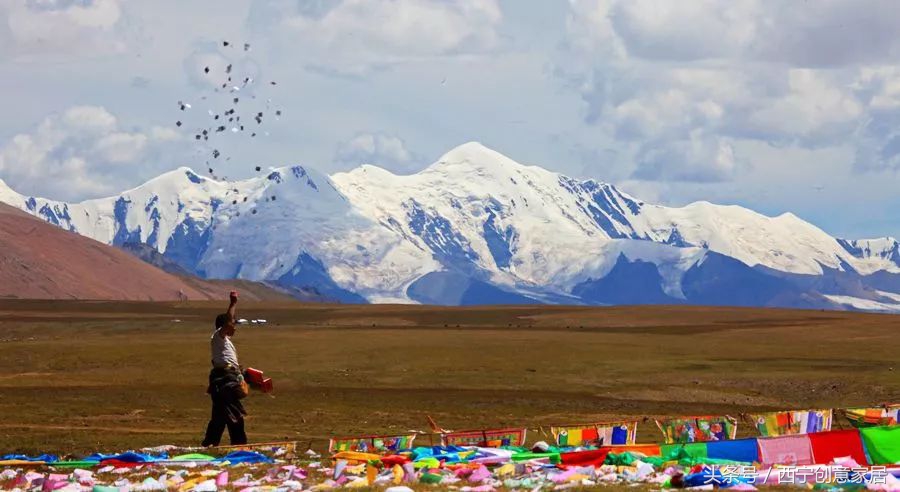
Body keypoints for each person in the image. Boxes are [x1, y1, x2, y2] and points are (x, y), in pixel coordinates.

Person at [201, 291, 248, 447]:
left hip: (226, 379)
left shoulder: (225, 342)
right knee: (234, 415)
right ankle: (239, 445)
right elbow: (227, 322)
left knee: (220, 417)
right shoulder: (218, 337)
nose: (233, 327)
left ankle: (210, 444)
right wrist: (233, 303)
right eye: (231, 325)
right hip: (224, 380)